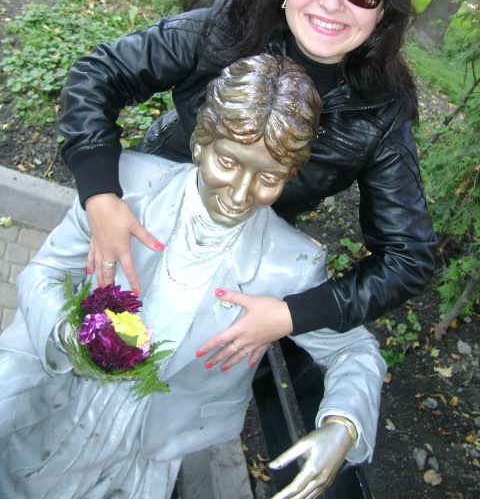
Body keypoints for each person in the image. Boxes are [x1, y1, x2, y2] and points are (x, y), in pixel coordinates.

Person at [58, 0, 437, 362]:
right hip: (146, 214)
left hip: (240, 251)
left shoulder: (380, 110)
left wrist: (293, 314)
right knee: (78, 331)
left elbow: (408, 256)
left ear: (382, 10)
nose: (332, 2)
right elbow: (97, 76)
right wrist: (101, 194)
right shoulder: (228, 24)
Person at [0, 55, 386, 499]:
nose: (240, 194)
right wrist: (68, 334)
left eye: (269, 178)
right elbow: (46, 272)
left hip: (143, 448)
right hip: (55, 393)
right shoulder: (127, 187)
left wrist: (342, 425)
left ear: (291, 175)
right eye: (228, 162)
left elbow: (355, 350)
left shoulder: (289, 263)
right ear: (201, 143)